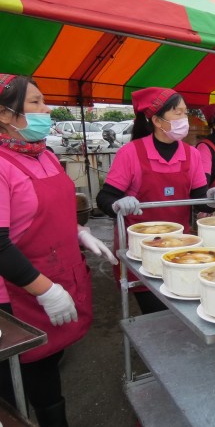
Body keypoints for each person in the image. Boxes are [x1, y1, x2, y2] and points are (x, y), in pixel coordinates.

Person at [0, 74, 117, 426]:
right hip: (17, 292)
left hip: (58, 272)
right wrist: (46, 291)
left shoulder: (45, 155)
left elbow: (53, 211)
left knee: (48, 368)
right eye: (35, 102)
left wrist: (79, 231)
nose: (47, 109)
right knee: (15, 385)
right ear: (6, 115)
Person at [96, 88, 215, 314]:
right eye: (178, 113)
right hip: (141, 251)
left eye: (185, 113)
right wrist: (118, 204)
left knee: (182, 306)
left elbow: (199, 200)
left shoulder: (191, 154)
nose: (184, 119)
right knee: (156, 311)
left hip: (182, 247)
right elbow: (105, 197)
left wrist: (213, 199)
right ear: (157, 120)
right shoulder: (131, 153)